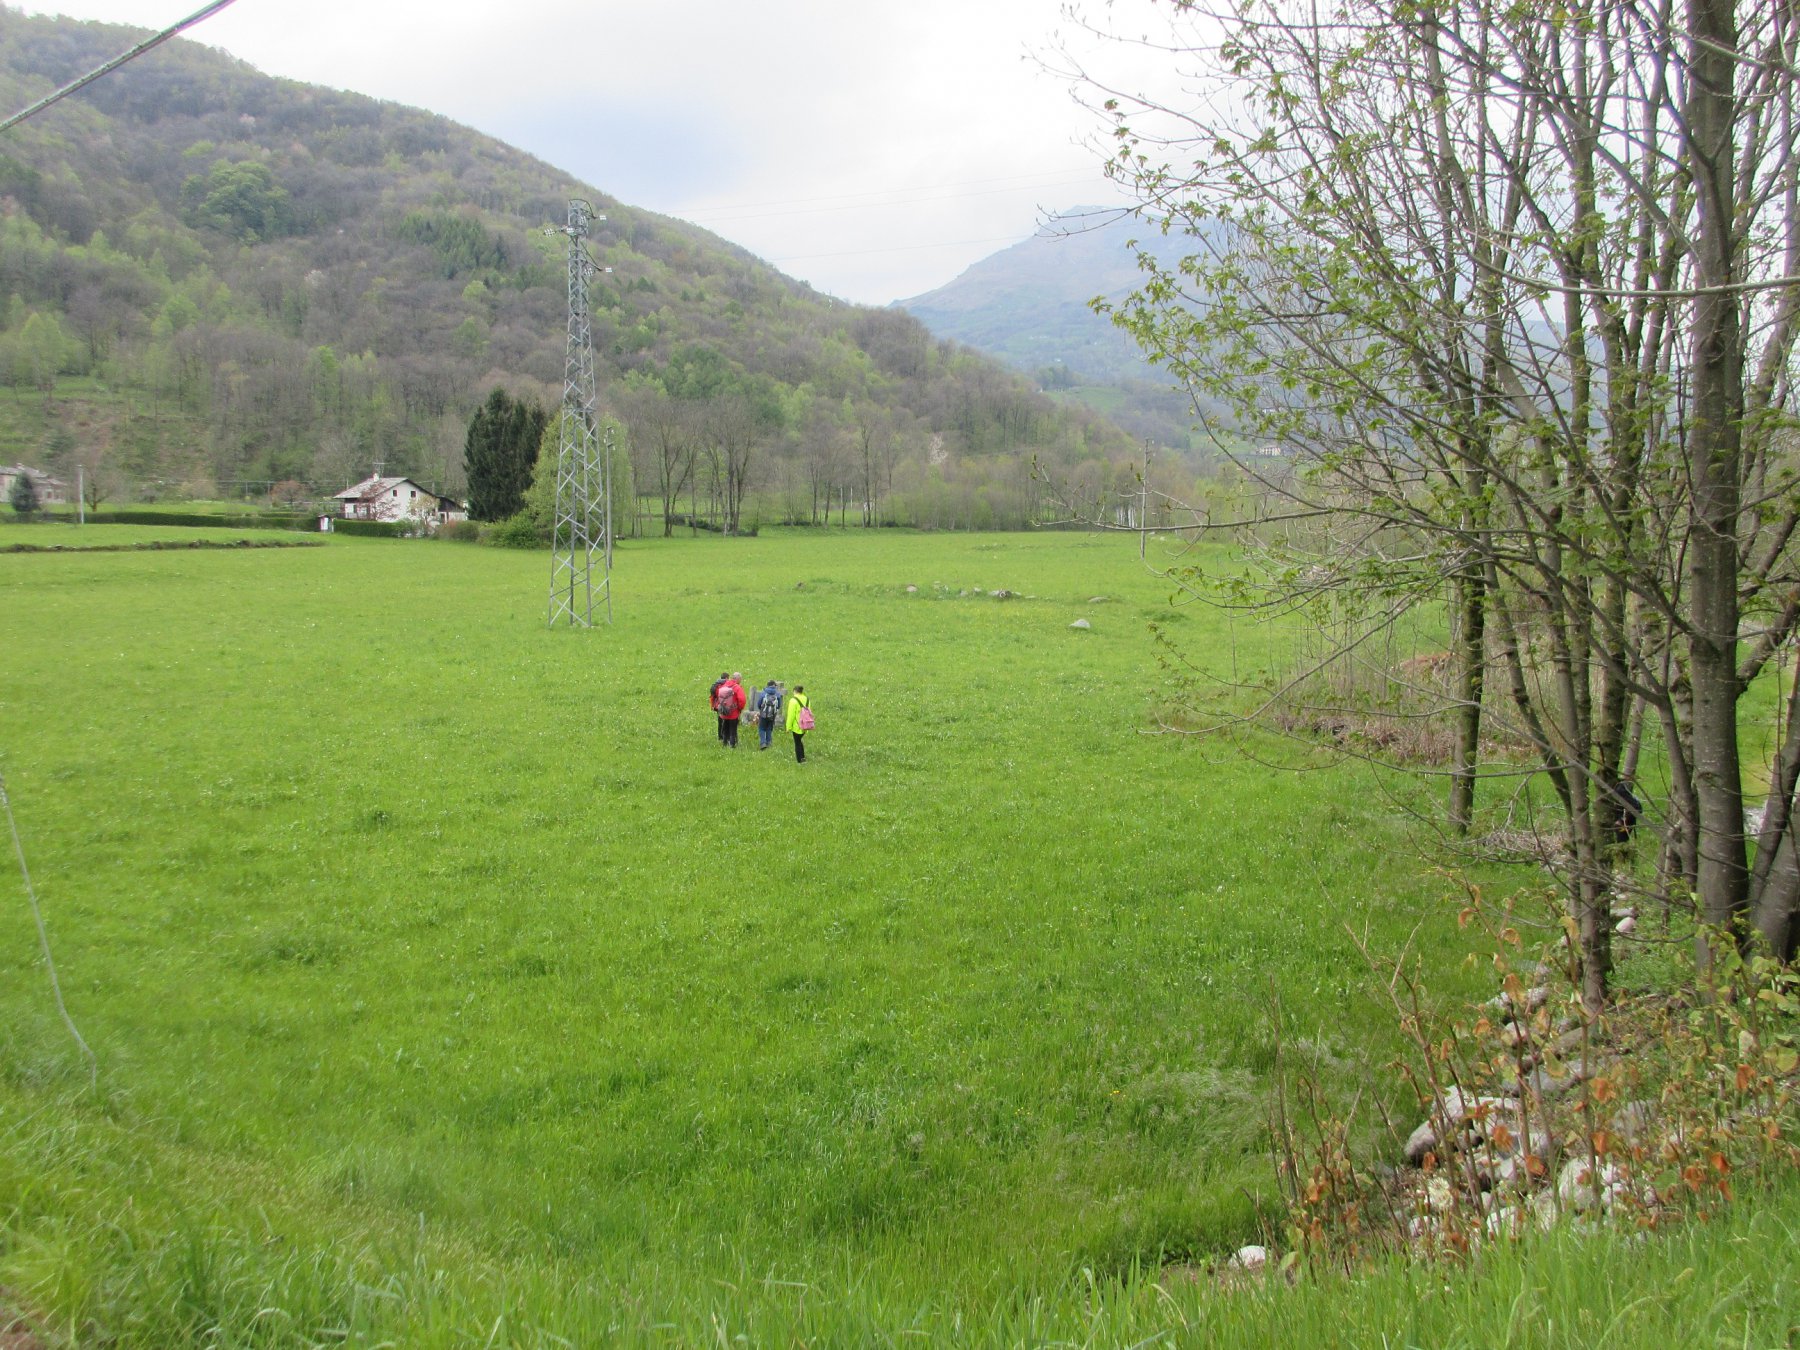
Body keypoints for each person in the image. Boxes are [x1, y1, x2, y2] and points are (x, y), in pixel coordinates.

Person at [716, 671, 747, 749]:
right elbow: (742, 700)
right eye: (740, 679)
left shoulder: (724, 685)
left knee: (725, 728)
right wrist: (740, 709)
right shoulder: (737, 688)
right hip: (733, 713)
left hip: (724, 712)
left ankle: (725, 743)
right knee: (733, 729)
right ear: (738, 679)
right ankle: (732, 745)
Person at [784, 684, 812, 763]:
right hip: (806, 724)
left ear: (795, 691)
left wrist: (788, 727)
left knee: (797, 743)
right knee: (799, 740)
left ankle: (800, 760)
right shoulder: (807, 699)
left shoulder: (793, 700)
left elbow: (791, 715)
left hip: (797, 725)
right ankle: (803, 757)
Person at [753, 678, 782, 750]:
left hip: (763, 714)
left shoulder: (763, 693)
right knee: (769, 728)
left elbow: (759, 704)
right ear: (774, 685)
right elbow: (778, 706)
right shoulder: (777, 694)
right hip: (772, 715)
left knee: (761, 728)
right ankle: (769, 743)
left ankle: (763, 743)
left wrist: (761, 710)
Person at [708, 671, 731, 745]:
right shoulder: (724, 685)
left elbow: (713, 696)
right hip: (723, 705)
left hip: (717, 706)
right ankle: (725, 737)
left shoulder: (716, 684)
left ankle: (720, 736)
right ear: (726, 678)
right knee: (725, 721)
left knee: (720, 721)